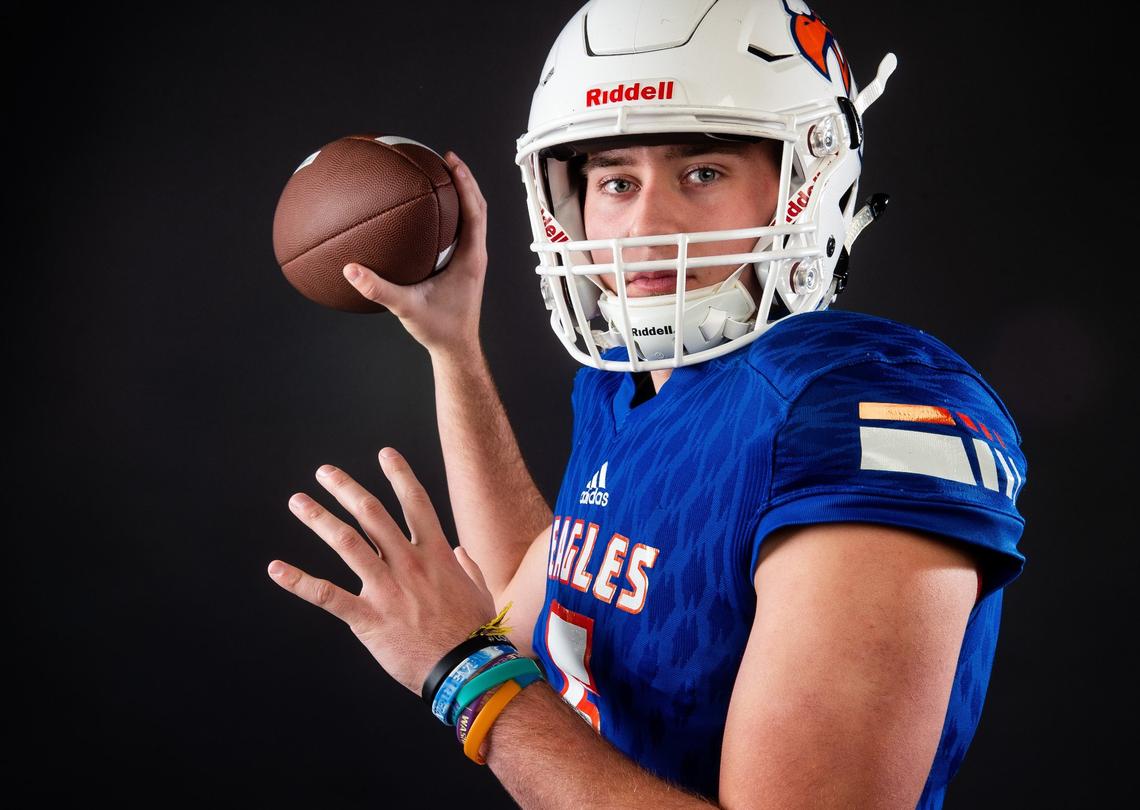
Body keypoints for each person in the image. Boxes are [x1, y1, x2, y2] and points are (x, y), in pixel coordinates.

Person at [268, 1, 1028, 808]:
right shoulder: (627, 381)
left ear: (809, 182)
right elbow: (539, 602)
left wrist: (466, 672)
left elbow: (485, 650)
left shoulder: (860, 408)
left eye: (702, 173)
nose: (645, 222)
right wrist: (453, 348)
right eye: (615, 180)